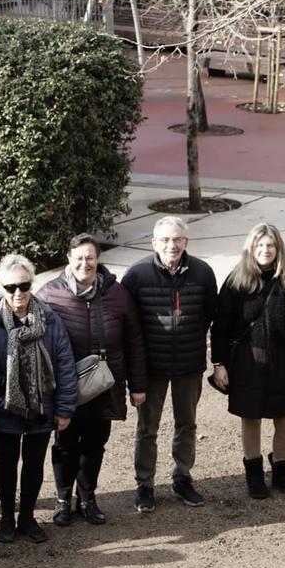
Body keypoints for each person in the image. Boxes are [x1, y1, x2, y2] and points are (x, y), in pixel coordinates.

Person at [37, 234, 147, 526]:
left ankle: (87, 498)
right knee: (65, 443)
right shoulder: (49, 294)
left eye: (90, 257)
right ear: (69, 258)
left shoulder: (117, 294)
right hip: (66, 387)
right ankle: (62, 500)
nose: (85, 263)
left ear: (98, 259)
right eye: (79, 258)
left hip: (105, 384)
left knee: (95, 443)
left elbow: (134, 340)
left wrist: (138, 385)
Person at [0, 254, 78, 544]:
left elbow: (64, 363)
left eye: (23, 285)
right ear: (1, 287)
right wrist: (2, 403)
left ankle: (28, 516)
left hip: (41, 407)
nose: (18, 293)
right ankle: (7, 516)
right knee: (6, 463)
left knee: (34, 464)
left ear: (32, 284)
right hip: (5, 409)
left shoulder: (50, 319)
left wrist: (64, 408)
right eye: (10, 287)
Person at [120, 216, 219, 512]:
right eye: (164, 240)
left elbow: (210, 314)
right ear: (154, 243)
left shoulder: (202, 272)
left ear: (186, 242)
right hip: (151, 368)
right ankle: (145, 484)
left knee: (186, 424)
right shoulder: (137, 275)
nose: (171, 245)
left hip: (189, 364)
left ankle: (182, 477)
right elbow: (128, 324)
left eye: (177, 239)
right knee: (147, 428)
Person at [210, 224, 285, 500]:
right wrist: (218, 363)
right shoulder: (237, 281)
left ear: (278, 248)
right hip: (247, 361)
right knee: (251, 420)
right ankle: (254, 474)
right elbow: (220, 325)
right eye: (259, 245)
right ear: (251, 248)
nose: (265, 251)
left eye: (270, 245)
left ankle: (281, 469)